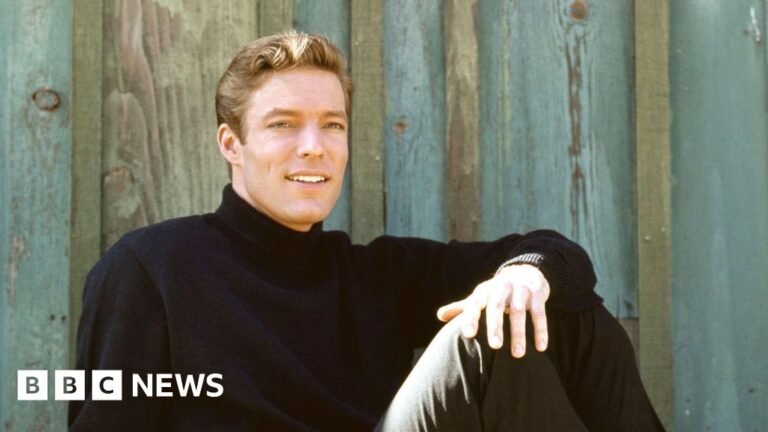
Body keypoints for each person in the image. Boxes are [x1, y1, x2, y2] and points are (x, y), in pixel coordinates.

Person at [69, 31, 664, 431]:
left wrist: (528, 274)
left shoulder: (376, 275)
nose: (314, 146)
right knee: (481, 336)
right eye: (283, 124)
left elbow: (558, 256)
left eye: (332, 125)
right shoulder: (154, 268)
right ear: (232, 143)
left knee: (557, 309)